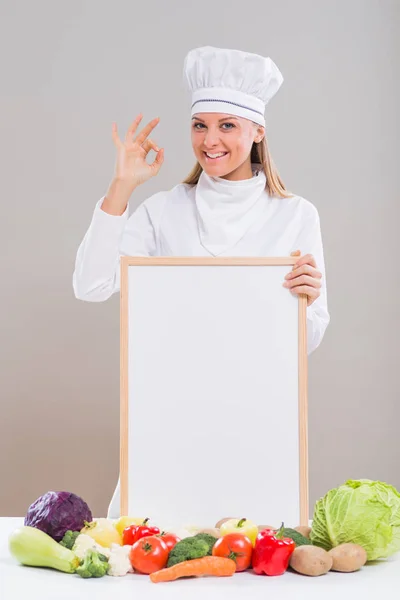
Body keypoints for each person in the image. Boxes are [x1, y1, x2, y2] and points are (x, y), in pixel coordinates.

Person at [73, 46, 330, 519]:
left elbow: (306, 341)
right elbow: (90, 285)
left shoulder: (295, 215)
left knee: (254, 570)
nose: (211, 140)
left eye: (227, 125)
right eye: (200, 125)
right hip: (168, 426)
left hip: (256, 429)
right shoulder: (163, 210)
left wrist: (305, 301)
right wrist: (122, 186)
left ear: (257, 131)